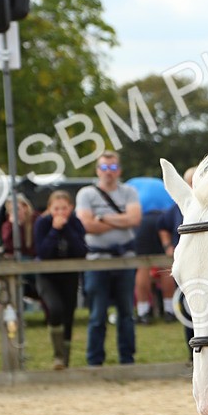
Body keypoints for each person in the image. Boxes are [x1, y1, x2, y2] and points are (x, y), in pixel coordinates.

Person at [75, 152, 141, 367]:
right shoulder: (86, 193)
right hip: (97, 261)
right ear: (97, 170)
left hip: (125, 260)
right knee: (97, 315)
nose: (108, 173)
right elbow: (86, 225)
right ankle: (94, 362)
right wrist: (121, 220)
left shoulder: (129, 191)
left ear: (119, 170)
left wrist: (102, 218)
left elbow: (135, 219)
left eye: (112, 168)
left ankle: (127, 360)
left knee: (126, 314)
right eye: (104, 168)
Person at [34, 189, 87, 369]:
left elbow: (81, 250)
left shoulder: (75, 223)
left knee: (68, 317)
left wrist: (67, 229)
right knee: (55, 309)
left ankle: (65, 361)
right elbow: (43, 252)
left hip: (69, 276)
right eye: (56, 209)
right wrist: (55, 230)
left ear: (71, 208)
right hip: (47, 277)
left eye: (64, 209)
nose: (60, 213)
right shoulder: (42, 223)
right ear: (49, 208)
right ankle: (58, 355)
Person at [125, 175, 175, 323]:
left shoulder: (131, 183)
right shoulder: (161, 183)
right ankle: (169, 310)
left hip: (143, 220)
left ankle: (143, 311)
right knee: (166, 264)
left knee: (143, 266)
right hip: (164, 218)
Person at [158, 167, 197, 351]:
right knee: (188, 310)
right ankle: (192, 353)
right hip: (187, 268)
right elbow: (162, 225)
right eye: (191, 183)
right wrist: (167, 245)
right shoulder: (177, 207)